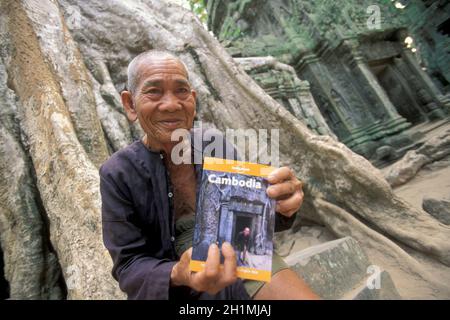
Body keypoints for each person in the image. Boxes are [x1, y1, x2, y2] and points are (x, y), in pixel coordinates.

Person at [99, 50, 320, 300]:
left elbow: (249, 218)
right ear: (130, 104)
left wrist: (280, 206)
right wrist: (177, 272)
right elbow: (128, 265)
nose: (172, 104)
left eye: (181, 91)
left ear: (193, 99)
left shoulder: (213, 143)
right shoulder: (117, 173)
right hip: (175, 289)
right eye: (154, 91)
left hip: (240, 257)